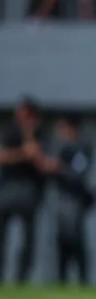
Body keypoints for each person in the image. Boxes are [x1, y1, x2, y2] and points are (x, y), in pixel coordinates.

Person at [0, 97, 58, 284]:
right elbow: (3, 157)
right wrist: (24, 153)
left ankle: (22, 278)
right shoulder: (10, 132)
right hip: (8, 189)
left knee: (28, 238)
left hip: (30, 191)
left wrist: (30, 137)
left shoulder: (41, 133)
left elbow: (44, 163)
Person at [53, 114, 96, 285]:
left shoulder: (80, 148)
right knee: (63, 239)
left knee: (75, 238)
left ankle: (82, 278)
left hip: (75, 198)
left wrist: (59, 169)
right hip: (63, 196)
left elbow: (79, 174)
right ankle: (61, 278)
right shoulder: (63, 148)